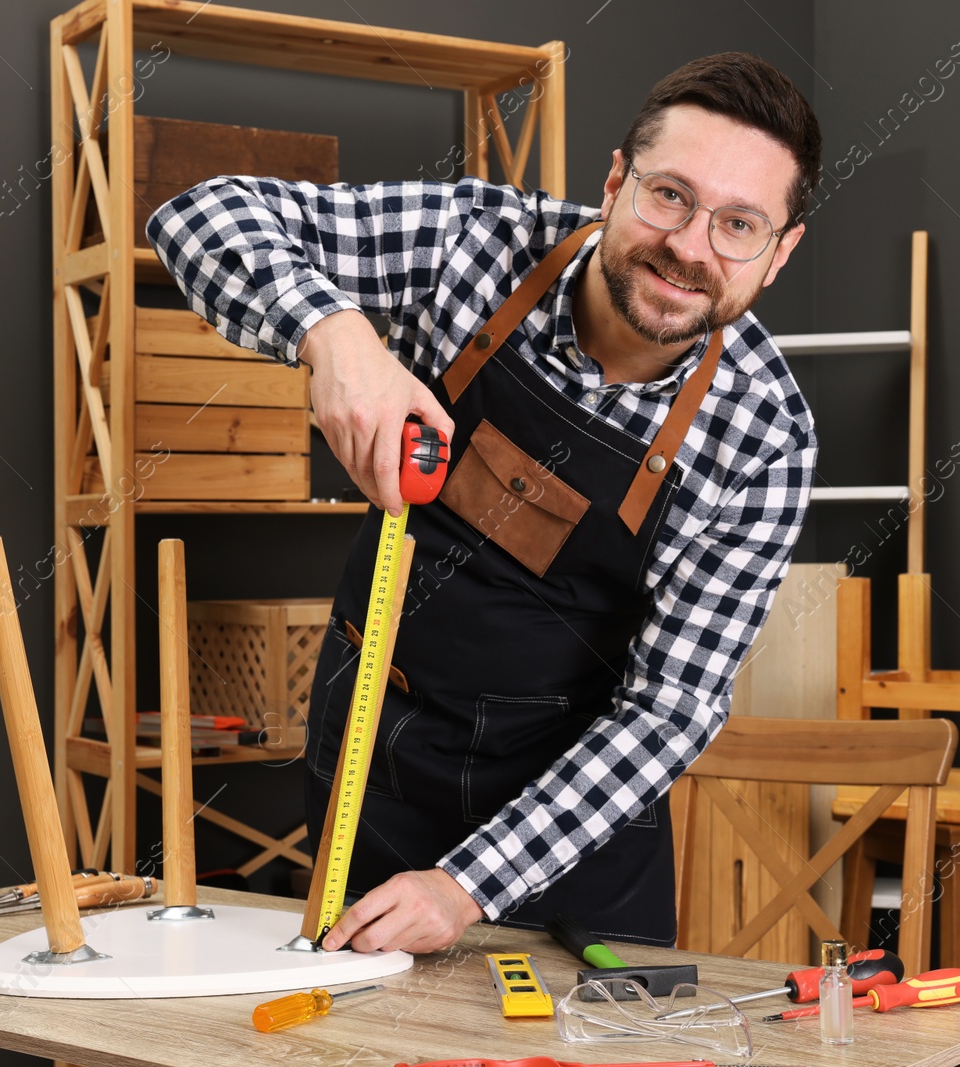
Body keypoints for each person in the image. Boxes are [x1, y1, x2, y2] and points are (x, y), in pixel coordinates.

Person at [148, 51, 819, 955]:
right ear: (615, 180)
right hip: (377, 761)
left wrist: (467, 884)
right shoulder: (474, 242)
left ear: (779, 255)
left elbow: (671, 708)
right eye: (669, 195)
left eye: (740, 224)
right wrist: (336, 337)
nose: (692, 246)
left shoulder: (763, 434)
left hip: (572, 820)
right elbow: (199, 215)